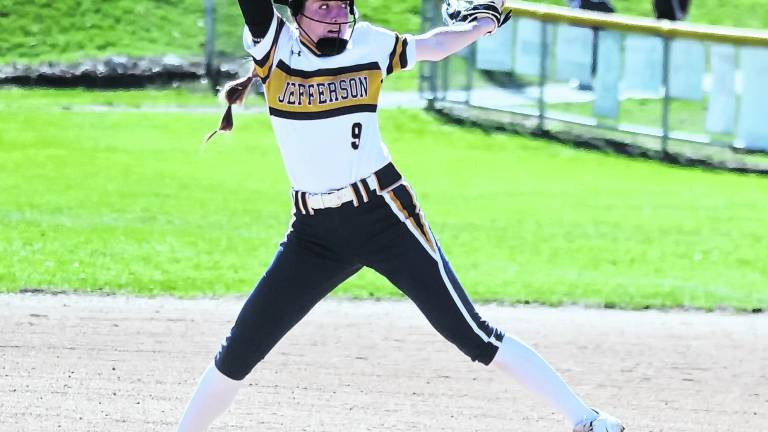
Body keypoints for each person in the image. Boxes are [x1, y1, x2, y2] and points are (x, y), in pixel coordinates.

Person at [177, 1, 626, 431]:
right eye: (323, 7)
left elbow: (430, 45)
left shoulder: (368, 44)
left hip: (385, 216)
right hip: (313, 235)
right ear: (295, 13)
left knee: (471, 333)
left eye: (342, 7)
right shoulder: (275, 47)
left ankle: (584, 418)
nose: (336, 18)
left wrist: (482, 25)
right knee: (241, 347)